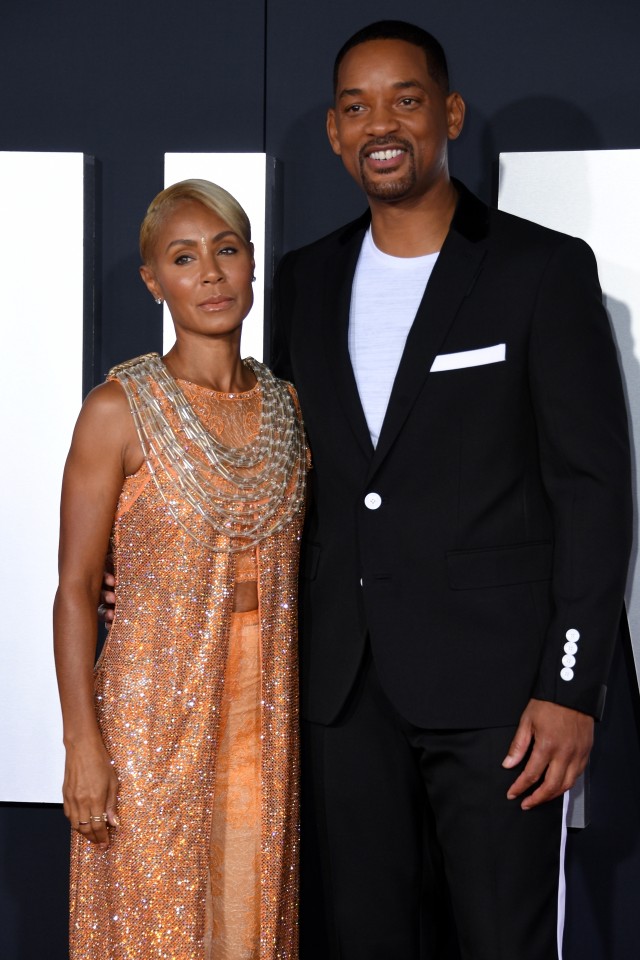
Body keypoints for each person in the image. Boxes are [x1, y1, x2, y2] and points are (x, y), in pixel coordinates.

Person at [271, 20, 633, 960]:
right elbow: (279, 475)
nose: (379, 123)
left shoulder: (539, 270)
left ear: (450, 115)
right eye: (355, 106)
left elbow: (593, 488)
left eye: (405, 99)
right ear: (334, 133)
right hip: (343, 696)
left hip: (502, 705)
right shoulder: (303, 282)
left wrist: (570, 685)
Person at [54, 179, 307, 960]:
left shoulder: (288, 408)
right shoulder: (116, 408)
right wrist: (83, 747)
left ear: (253, 264)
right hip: (150, 717)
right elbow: (72, 590)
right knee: (153, 925)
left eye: (227, 251)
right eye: (184, 258)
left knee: (250, 917)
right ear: (152, 280)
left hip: (263, 715)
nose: (210, 274)